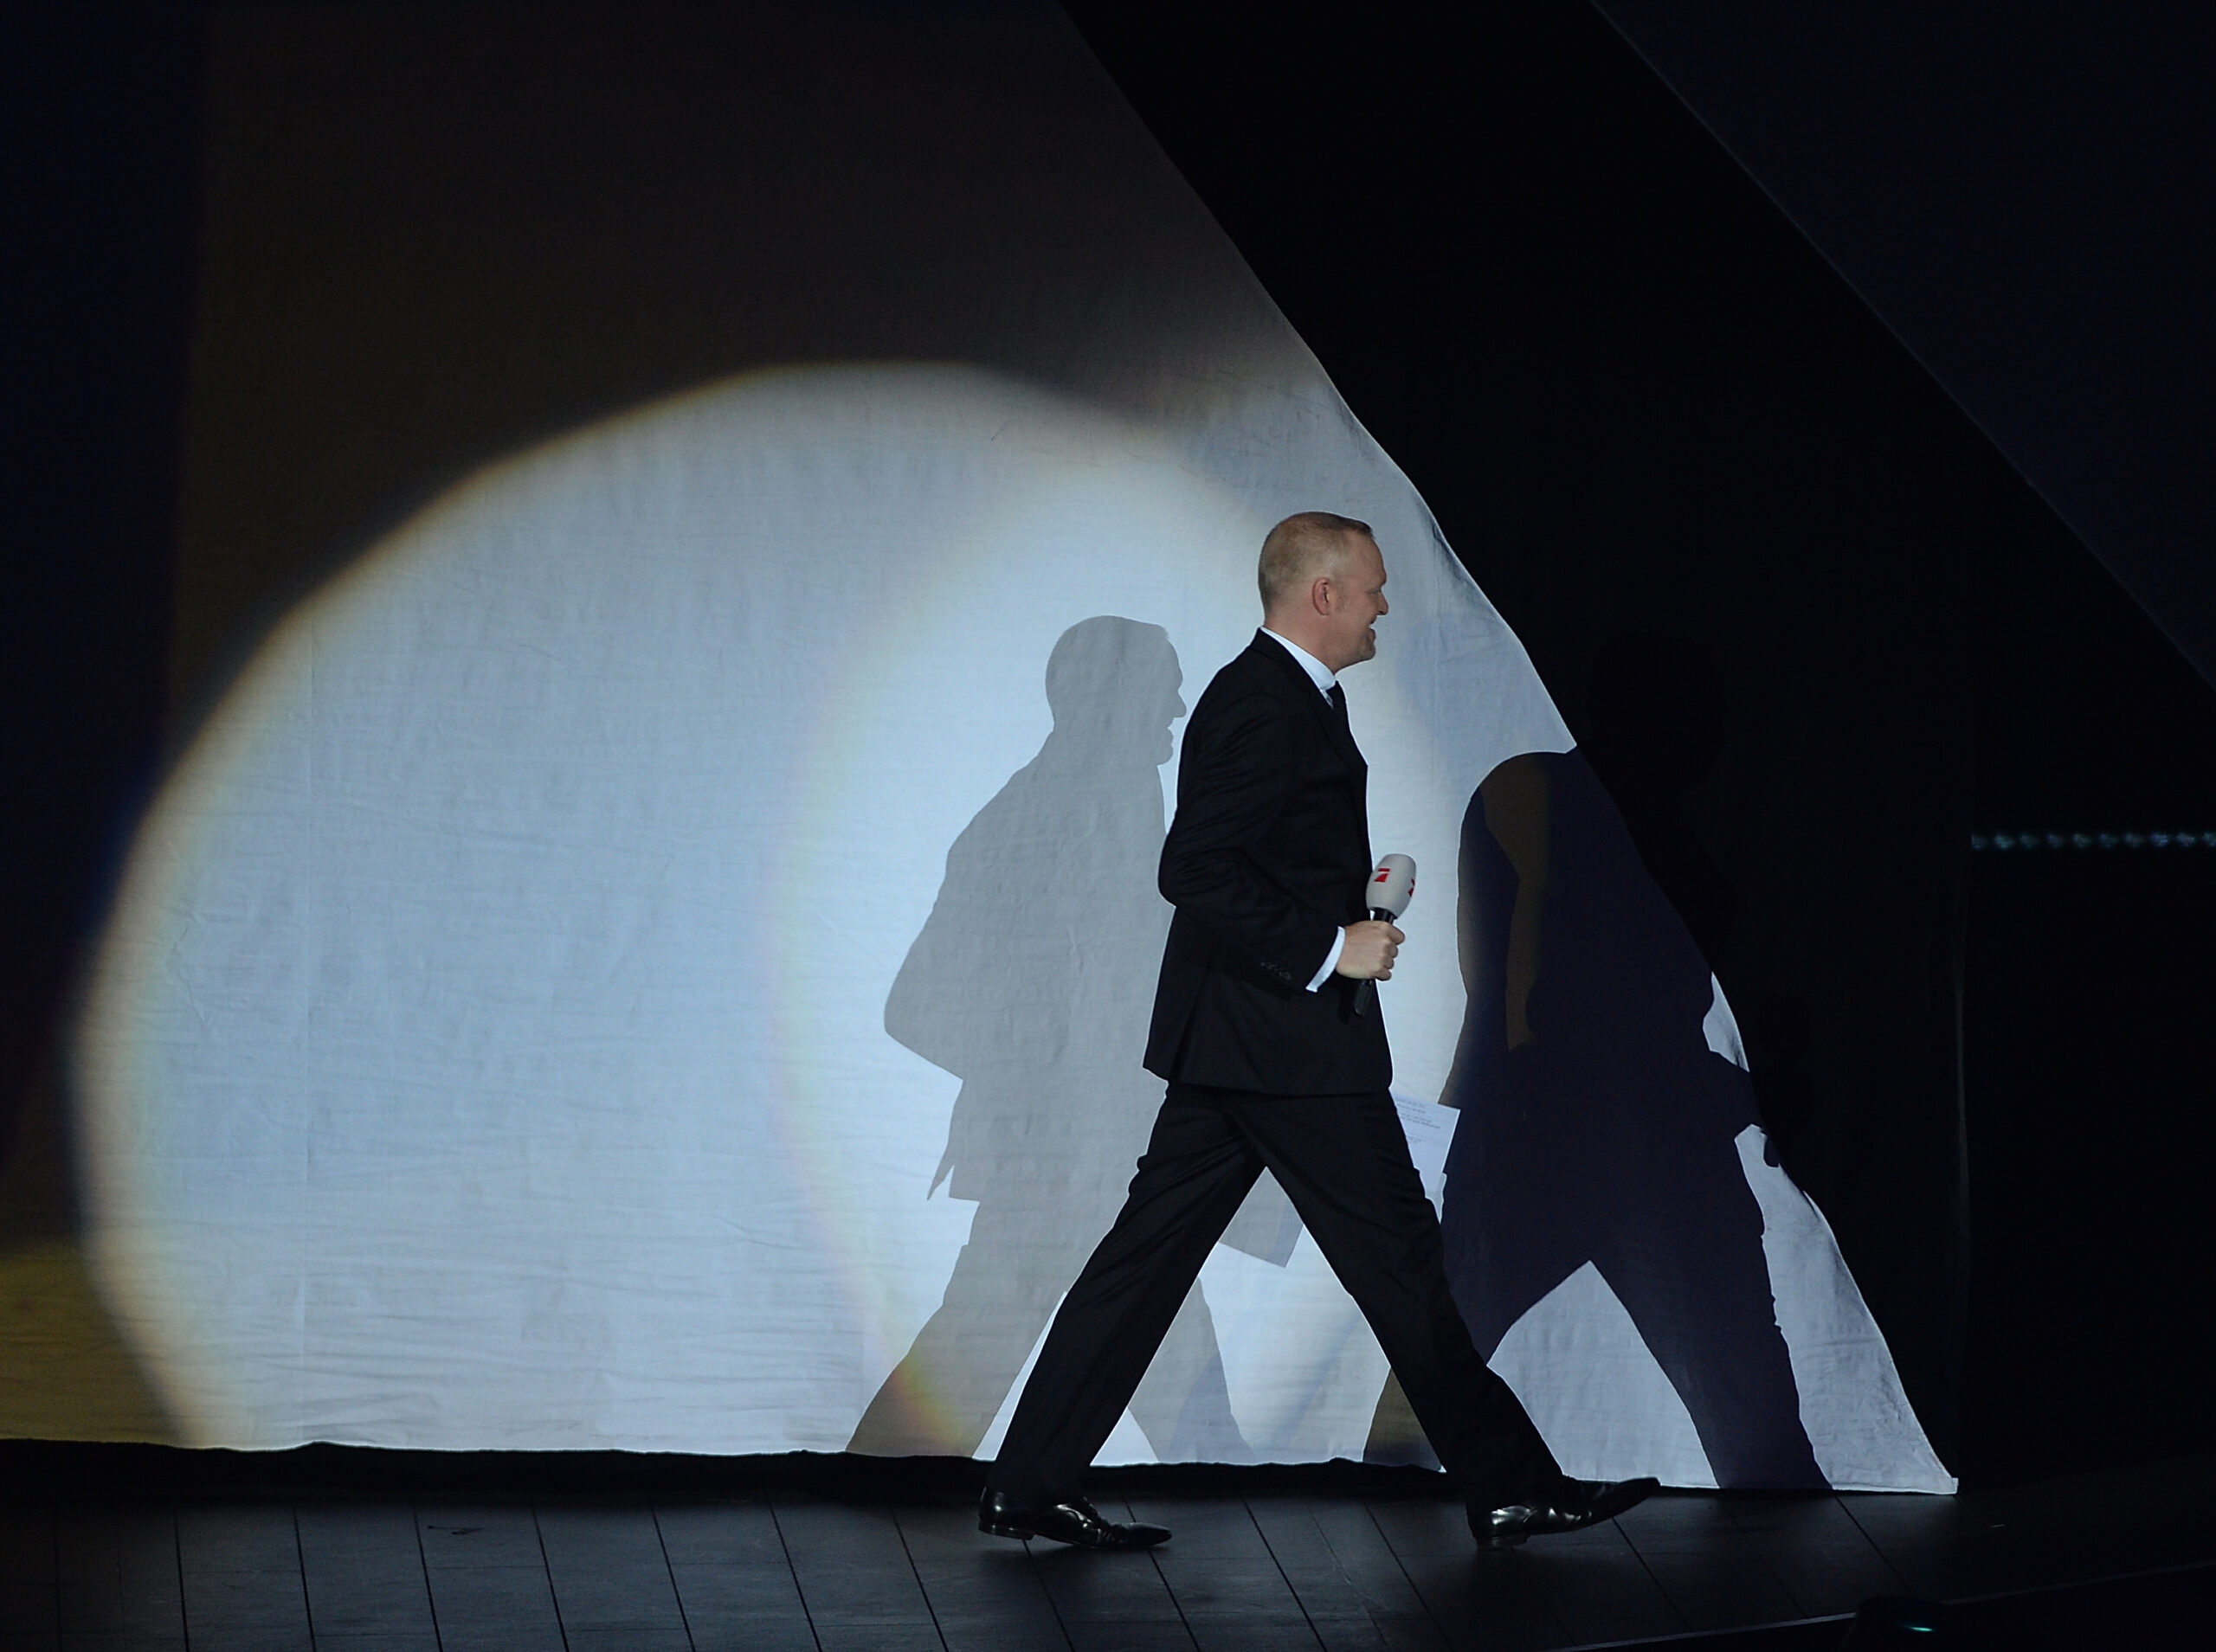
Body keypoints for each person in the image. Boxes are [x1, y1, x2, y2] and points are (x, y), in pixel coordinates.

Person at [977, 512, 1658, 1551]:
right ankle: (1514, 1484)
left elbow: (1248, 855)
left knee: (1143, 1263)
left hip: (1240, 1047)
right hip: (1289, 1048)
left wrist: (1356, 894)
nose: (1386, 604)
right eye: (1374, 588)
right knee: (1400, 1265)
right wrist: (1329, 948)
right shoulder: (1265, 700)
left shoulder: (1289, 696)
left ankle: (1027, 1483)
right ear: (1323, 594)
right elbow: (1193, 868)